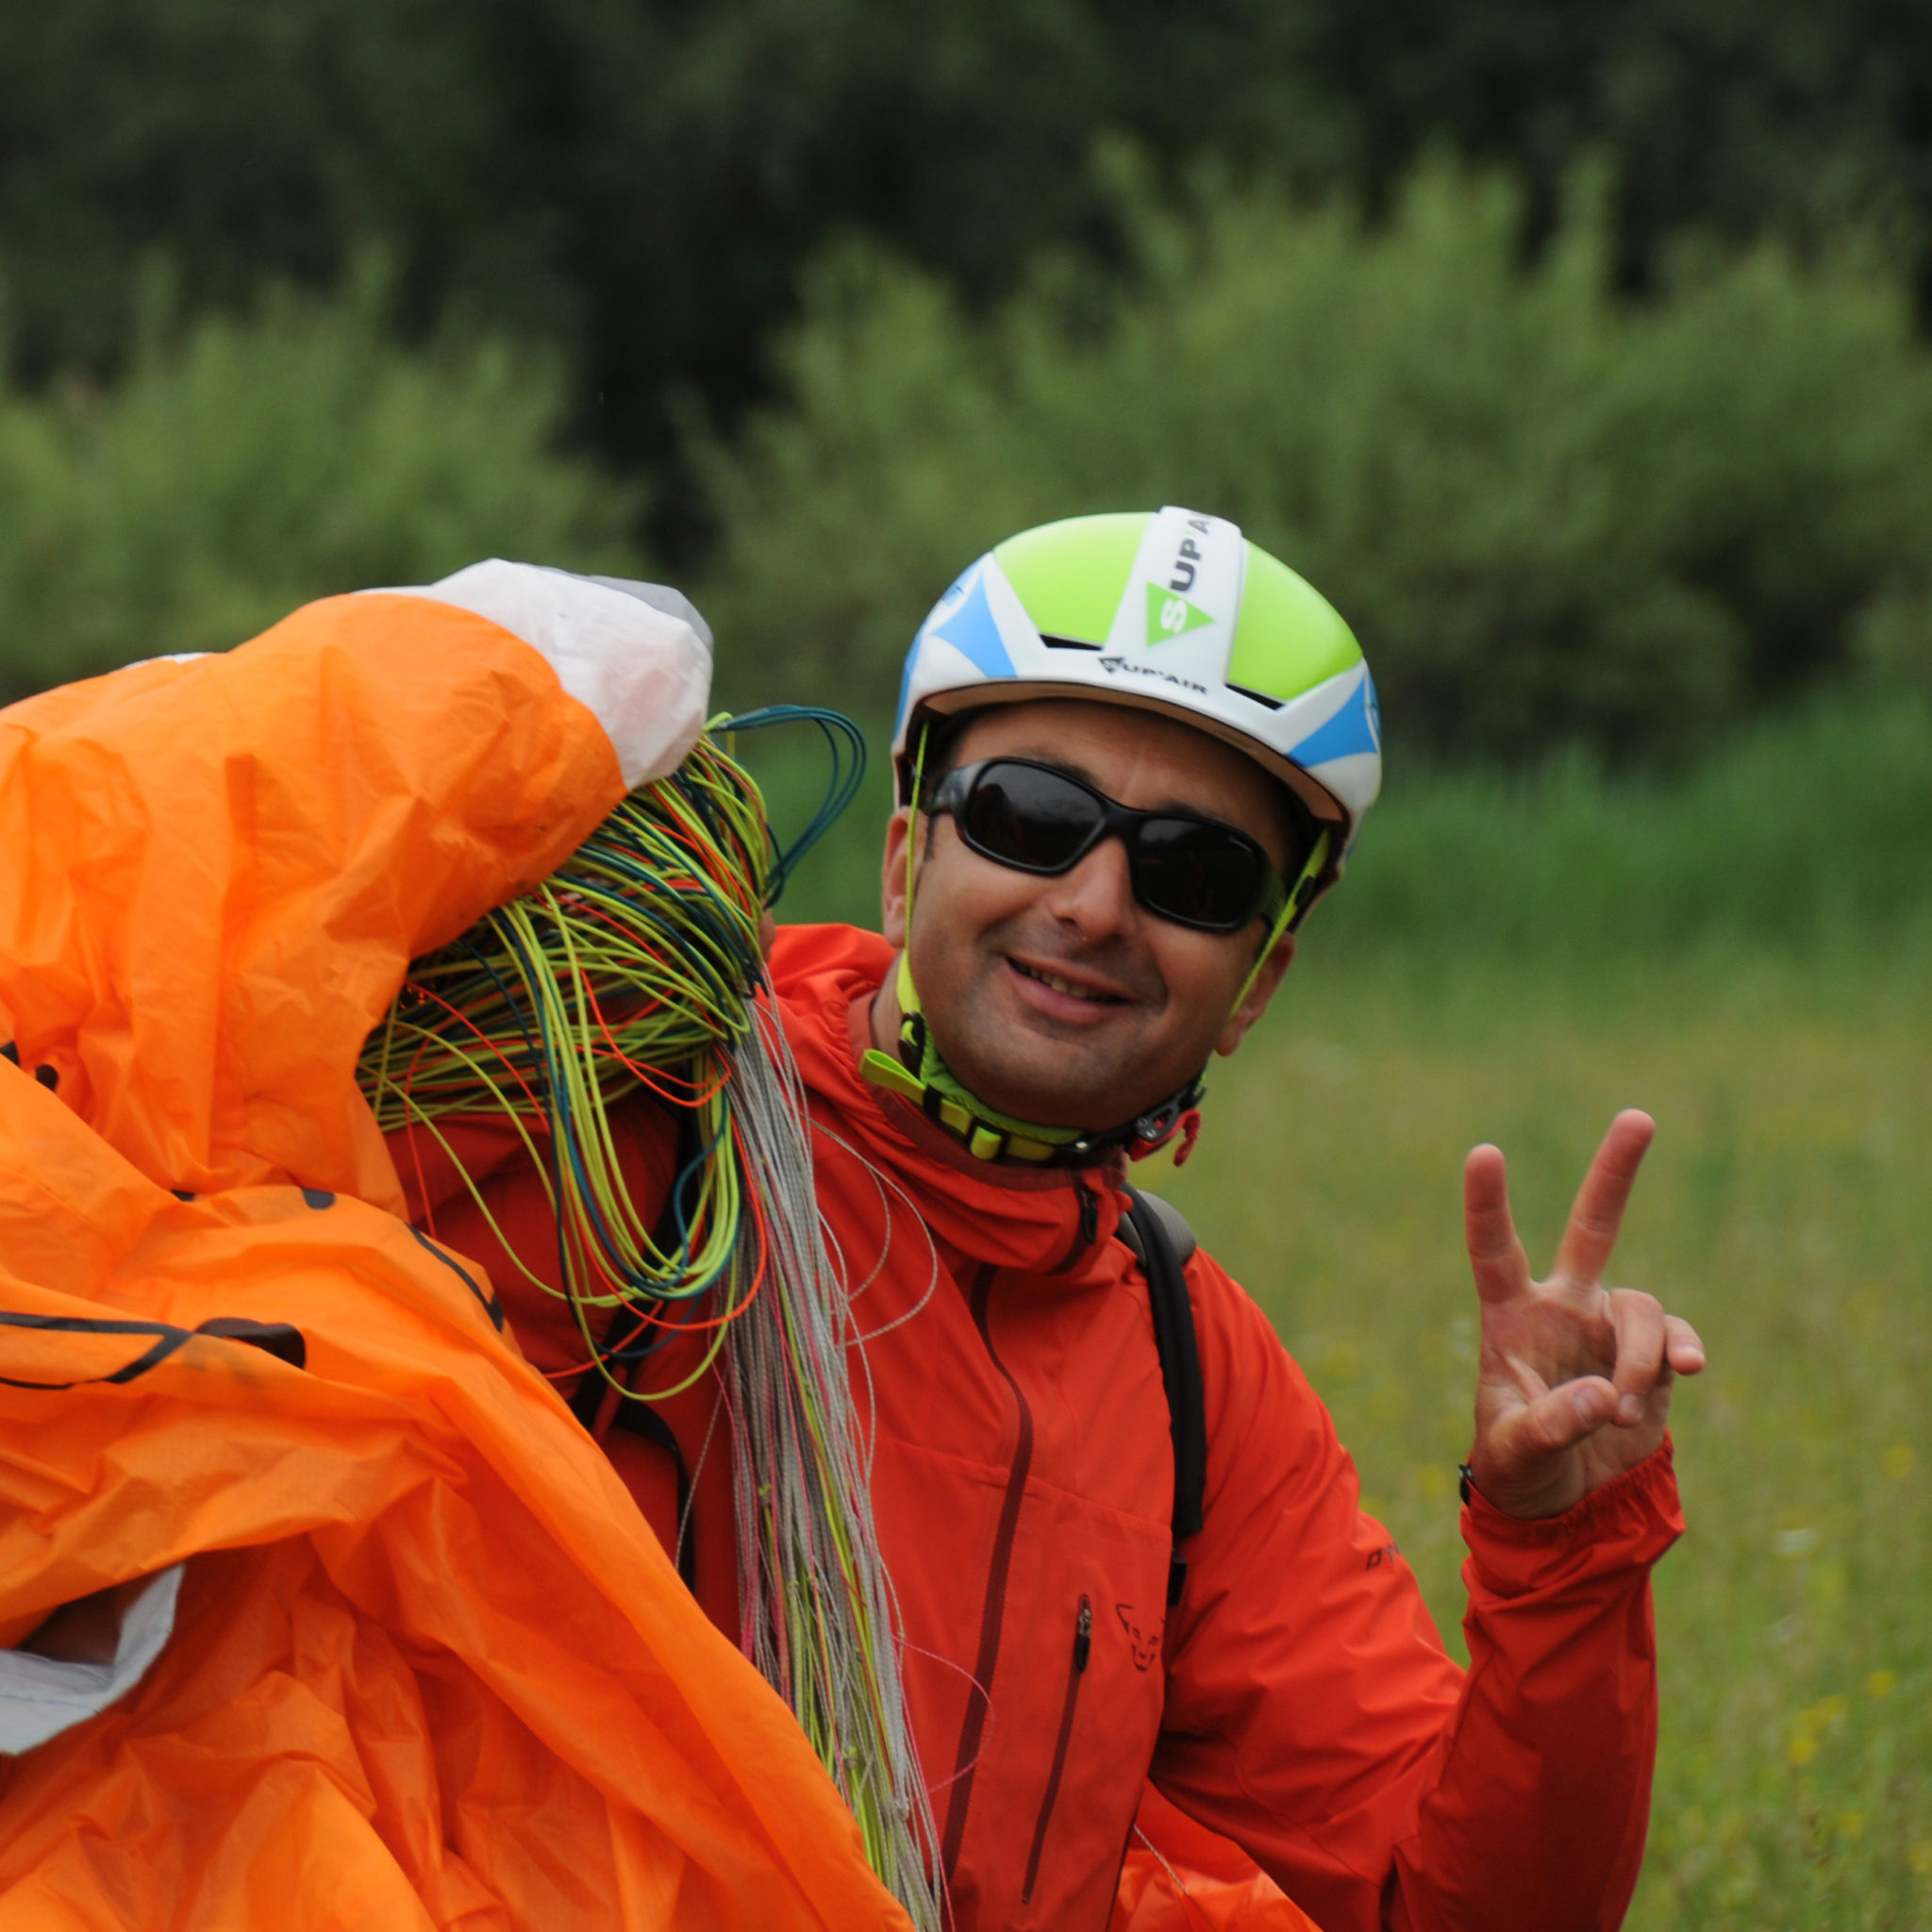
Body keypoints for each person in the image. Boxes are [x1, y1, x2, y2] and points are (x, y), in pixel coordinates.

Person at [410, 508, 1707, 1932]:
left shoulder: (1189, 1374)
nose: (1092, 904)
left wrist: (1565, 1559)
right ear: (906, 857)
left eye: (1193, 875)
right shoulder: (603, 1118)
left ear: (1260, 978)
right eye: (1031, 817)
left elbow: (1465, 1911)